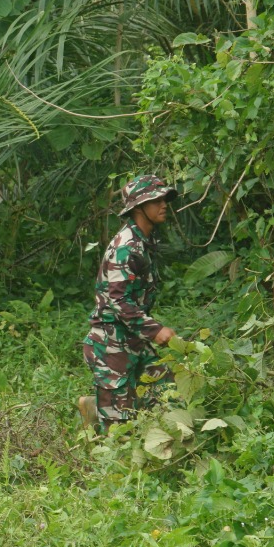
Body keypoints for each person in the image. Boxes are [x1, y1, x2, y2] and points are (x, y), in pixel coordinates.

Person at [80, 175, 178, 429]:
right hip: (111, 343)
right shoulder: (126, 247)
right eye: (155, 200)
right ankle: (101, 413)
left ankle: (94, 407)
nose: (163, 205)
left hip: (133, 338)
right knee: (119, 430)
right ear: (138, 208)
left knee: (166, 393)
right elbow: (118, 300)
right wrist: (155, 330)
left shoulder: (144, 242)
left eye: (164, 199)